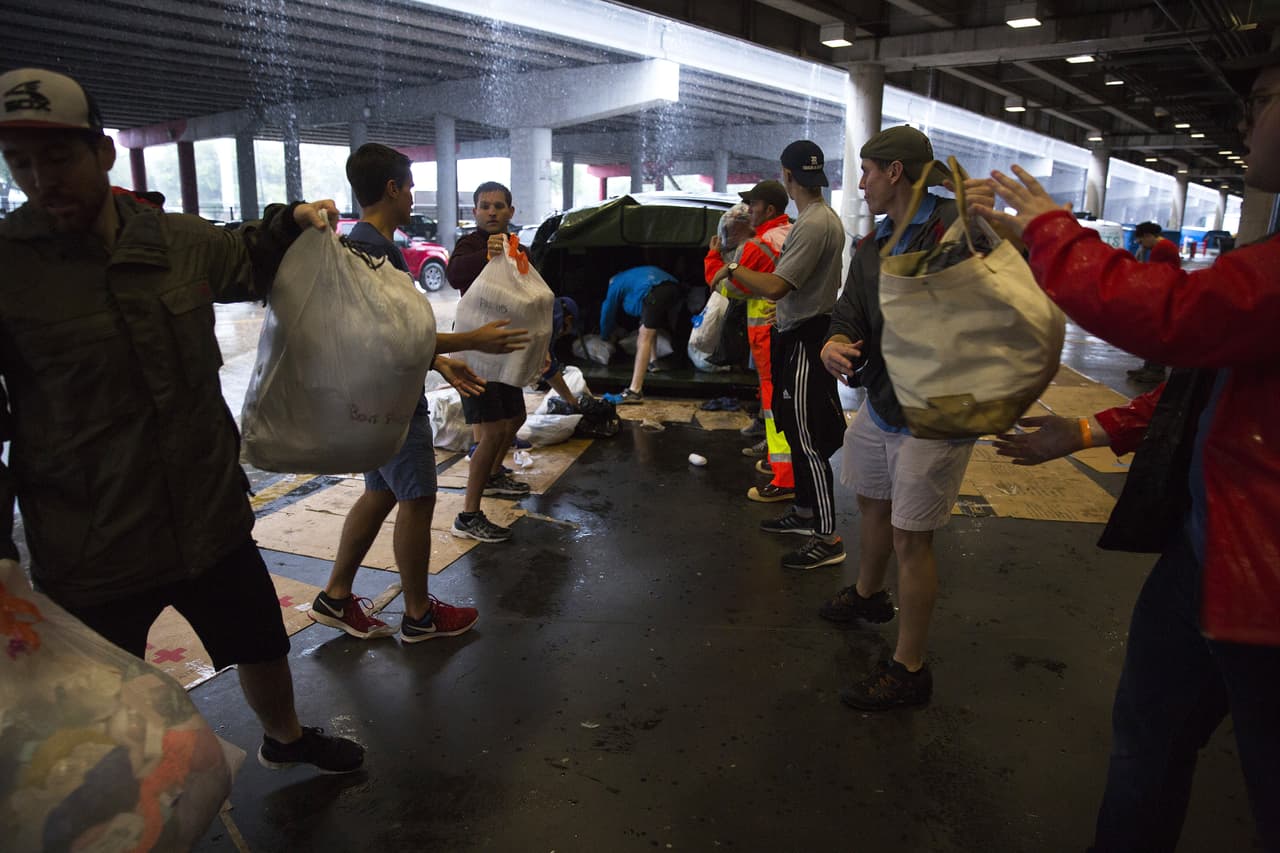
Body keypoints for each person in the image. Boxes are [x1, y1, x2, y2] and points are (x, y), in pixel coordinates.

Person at [0, 68, 361, 772]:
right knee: (98, 702)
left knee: (261, 640)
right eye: (20, 163)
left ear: (103, 153)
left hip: (208, 516)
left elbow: (252, 257)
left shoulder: (178, 240)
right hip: (90, 544)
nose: (42, 180)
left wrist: (291, 222)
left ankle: (284, 739)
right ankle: (122, 813)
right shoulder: (7, 269)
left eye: (58, 157)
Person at [972, 44, 1280, 851]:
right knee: (1144, 747)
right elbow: (1211, 384)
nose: (1247, 121)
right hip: (1204, 562)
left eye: (1265, 96)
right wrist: (1087, 428)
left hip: (1268, 590)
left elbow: (1170, 316)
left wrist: (1049, 229)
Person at [309, 145, 529, 642]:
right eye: (409, 186)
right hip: (391, 399)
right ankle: (418, 616)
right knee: (418, 498)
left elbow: (381, 329)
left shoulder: (359, 243)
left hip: (372, 393)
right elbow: (390, 335)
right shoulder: (375, 250)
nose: (412, 196)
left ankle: (336, 597)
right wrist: (471, 340)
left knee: (381, 490)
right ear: (392, 189)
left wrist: (439, 360)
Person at [816, 125, 995, 711]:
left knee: (910, 537)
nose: (860, 183)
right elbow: (849, 312)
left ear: (895, 172)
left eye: (866, 171)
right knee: (871, 498)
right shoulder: (872, 246)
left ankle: (909, 668)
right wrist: (833, 343)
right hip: (885, 401)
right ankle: (869, 594)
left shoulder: (959, 227)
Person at [709, 140, 846, 570]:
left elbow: (775, 286)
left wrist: (730, 266)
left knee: (807, 439)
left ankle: (828, 537)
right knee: (790, 424)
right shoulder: (810, 220)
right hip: (794, 333)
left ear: (787, 176)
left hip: (806, 335)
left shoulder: (815, 223)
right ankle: (804, 513)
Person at [445, 181, 537, 543]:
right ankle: (468, 515)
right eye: (485, 206)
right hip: (474, 350)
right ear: (475, 213)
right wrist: (486, 252)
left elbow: (531, 295)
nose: (492, 211)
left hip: (505, 346)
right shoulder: (470, 245)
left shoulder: (519, 249)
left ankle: (494, 474)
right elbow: (455, 276)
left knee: (516, 417)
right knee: (494, 429)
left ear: (511, 212)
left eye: (499, 206)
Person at [706, 181, 796, 503]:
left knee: (776, 407)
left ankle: (786, 478)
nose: (749, 211)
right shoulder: (789, 233)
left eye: (753, 205)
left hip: (769, 335)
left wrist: (714, 256)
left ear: (770, 209)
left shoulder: (759, 246)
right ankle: (777, 462)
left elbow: (726, 287)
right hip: (786, 332)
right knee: (781, 403)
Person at [599, 260, 684, 403]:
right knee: (649, 327)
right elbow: (642, 310)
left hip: (656, 290)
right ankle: (654, 361)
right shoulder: (633, 276)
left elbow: (607, 311)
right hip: (674, 288)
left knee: (643, 336)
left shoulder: (615, 283)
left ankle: (635, 391)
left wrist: (605, 335)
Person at [1125, 221, 1181, 384]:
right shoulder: (1165, 246)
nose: (1142, 245)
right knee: (1153, 332)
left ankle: (1155, 370)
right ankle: (1149, 367)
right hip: (1166, 293)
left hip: (1165, 295)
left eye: (1141, 241)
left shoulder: (1162, 248)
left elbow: (1152, 273)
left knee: (1157, 333)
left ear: (1148, 236)